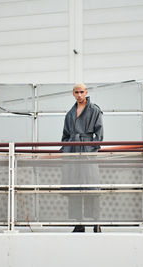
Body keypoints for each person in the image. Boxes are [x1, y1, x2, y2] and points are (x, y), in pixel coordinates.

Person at [60, 83, 103, 233]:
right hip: (72, 152)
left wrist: (91, 148)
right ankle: (79, 223)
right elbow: (65, 135)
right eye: (76, 92)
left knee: (91, 187)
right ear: (73, 94)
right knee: (75, 187)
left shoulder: (94, 110)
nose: (79, 95)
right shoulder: (70, 113)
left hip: (87, 153)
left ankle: (96, 223)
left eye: (82, 92)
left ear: (86, 92)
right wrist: (66, 149)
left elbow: (99, 135)